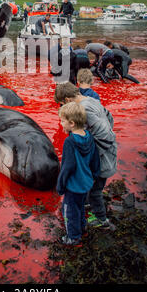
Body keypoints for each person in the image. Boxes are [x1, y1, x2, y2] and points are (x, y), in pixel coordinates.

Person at [54, 82, 117, 230]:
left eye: (62, 104)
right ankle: (88, 202)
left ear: (68, 100)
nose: (62, 107)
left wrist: (89, 149)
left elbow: (106, 134)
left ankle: (102, 220)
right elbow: (110, 117)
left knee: (96, 190)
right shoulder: (91, 99)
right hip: (105, 153)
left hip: (103, 156)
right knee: (93, 185)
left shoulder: (85, 109)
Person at [57, 102, 100, 246]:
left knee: (69, 211)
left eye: (62, 120)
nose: (61, 123)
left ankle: (73, 237)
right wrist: (95, 175)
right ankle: (83, 228)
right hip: (86, 182)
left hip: (73, 186)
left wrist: (60, 185)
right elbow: (95, 159)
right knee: (80, 206)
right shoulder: (89, 136)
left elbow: (67, 166)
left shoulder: (70, 142)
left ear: (72, 123)